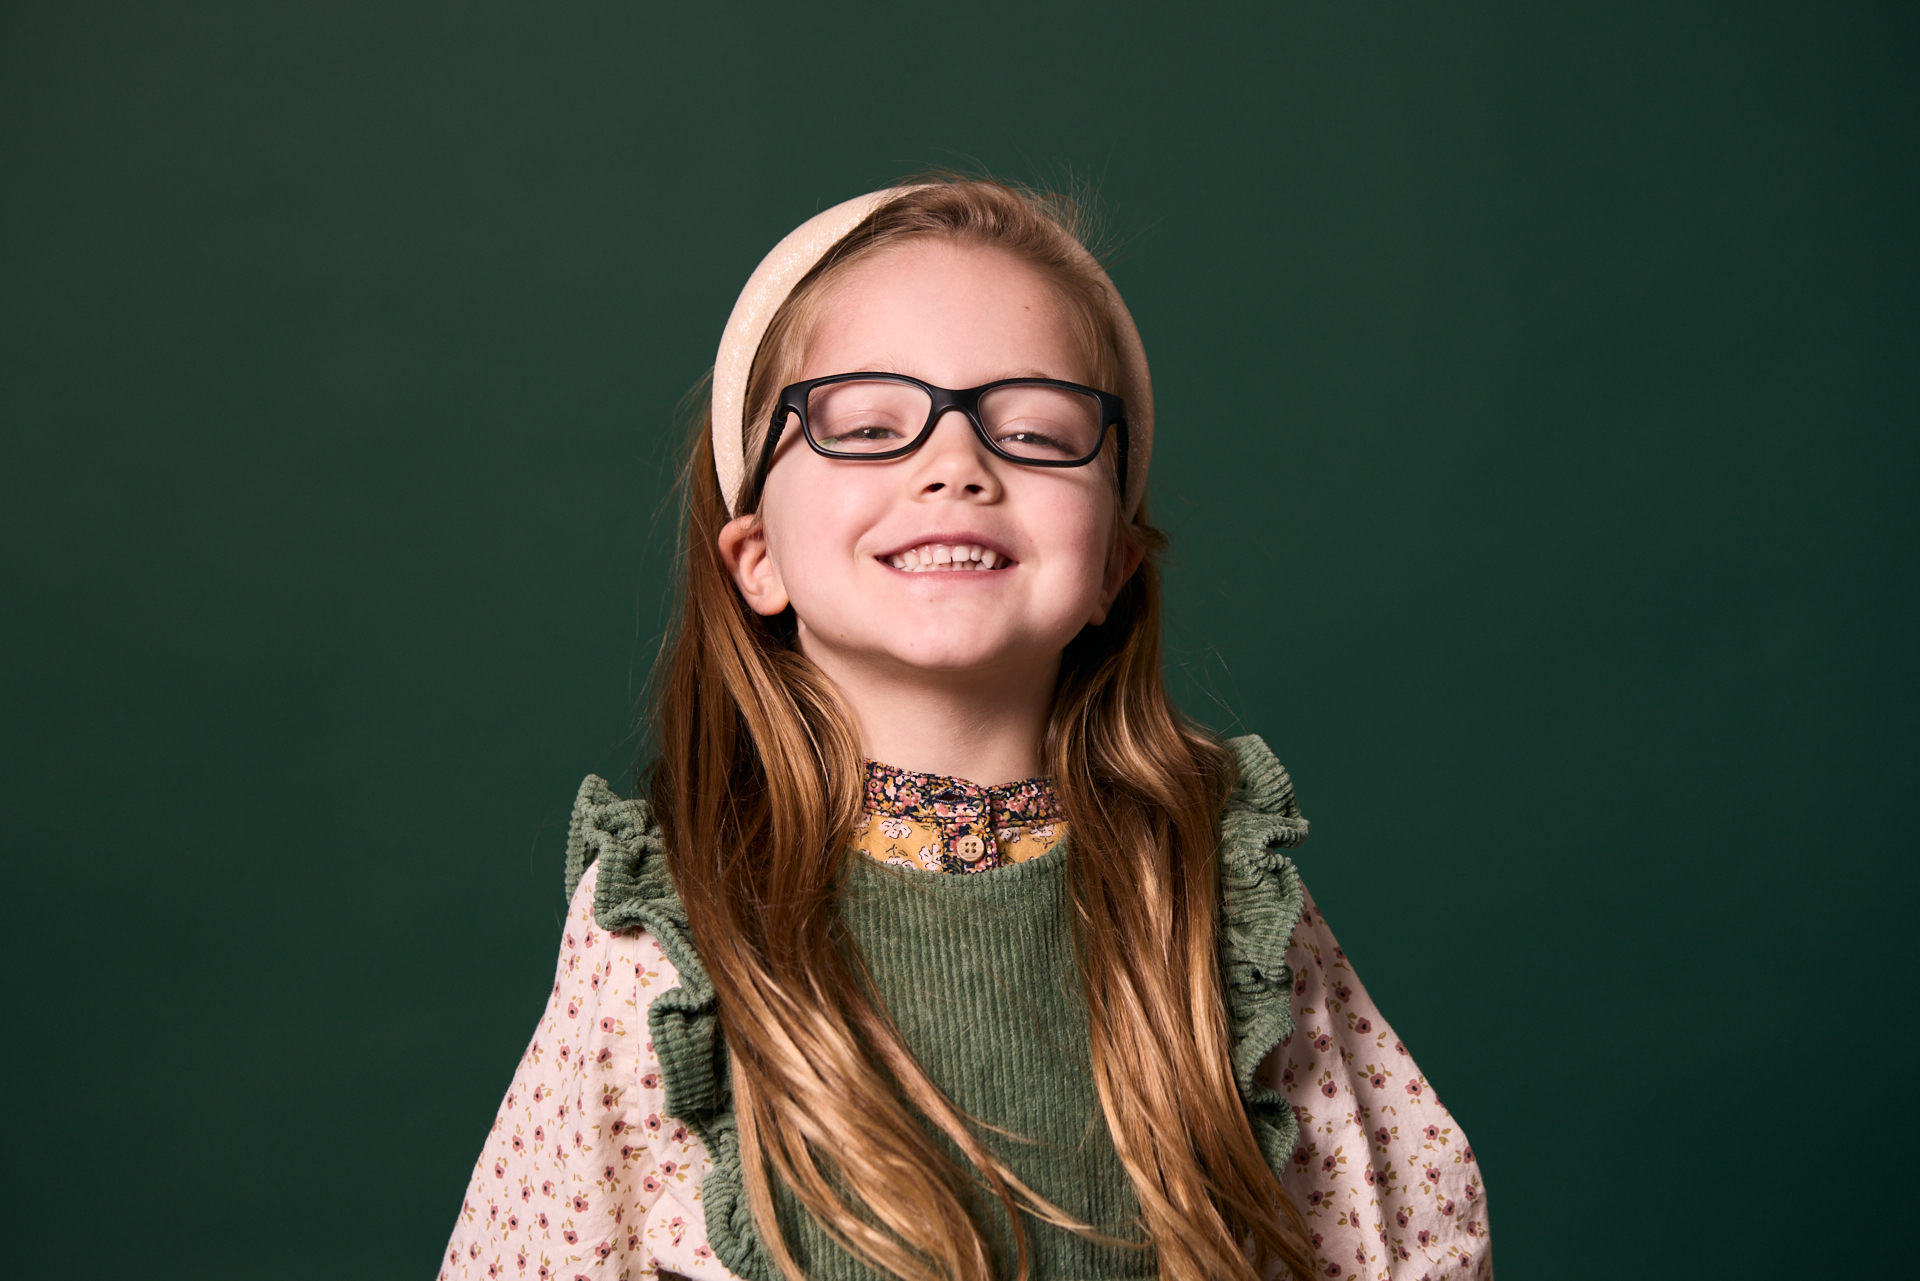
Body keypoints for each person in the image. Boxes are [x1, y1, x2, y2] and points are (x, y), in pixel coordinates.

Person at [440, 179, 1489, 1281]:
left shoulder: (1222, 900)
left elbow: (1410, 1241)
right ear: (756, 556)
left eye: (1034, 431)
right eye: (868, 425)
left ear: (1113, 567)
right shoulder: (665, 942)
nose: (955, 464)